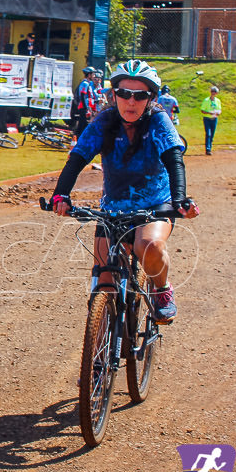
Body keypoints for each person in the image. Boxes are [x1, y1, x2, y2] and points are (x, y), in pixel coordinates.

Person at [50, 60, 200, 324]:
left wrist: (179, 199)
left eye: (140, 95)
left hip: (155, 205)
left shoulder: (158, 121)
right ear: (114, 94)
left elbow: (174, 159)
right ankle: (99, 351)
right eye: (123, 93)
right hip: (113, 209)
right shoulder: (105, 121)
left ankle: (161, 290)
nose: (131, 101)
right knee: (104, 280)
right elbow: (77, 159)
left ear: (150, 98)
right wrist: (60, 195)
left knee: (149, 245)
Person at [71, 66, 99, 137]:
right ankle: (78, 138)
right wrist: (86, 108)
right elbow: (83, 95)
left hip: (86, 106)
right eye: (93, 74)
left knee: (83, 124)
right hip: (83, 107)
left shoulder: (88, 83)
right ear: (89, 75)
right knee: (83, 124)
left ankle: (78, 137)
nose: (94, 76)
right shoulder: (85, 83)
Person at [200, 85, 222, 155]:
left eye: (215, 92)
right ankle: (208, 149)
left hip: (214, 119)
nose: (213, 93)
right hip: (207, 119)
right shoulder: (206, 100)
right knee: (208, 134)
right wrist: (209, 113)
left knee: (212, 135)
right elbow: (202, 110)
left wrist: (218, 113)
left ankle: (210, 147)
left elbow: (219, 109)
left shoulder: (218, 101)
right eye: (212, 91)